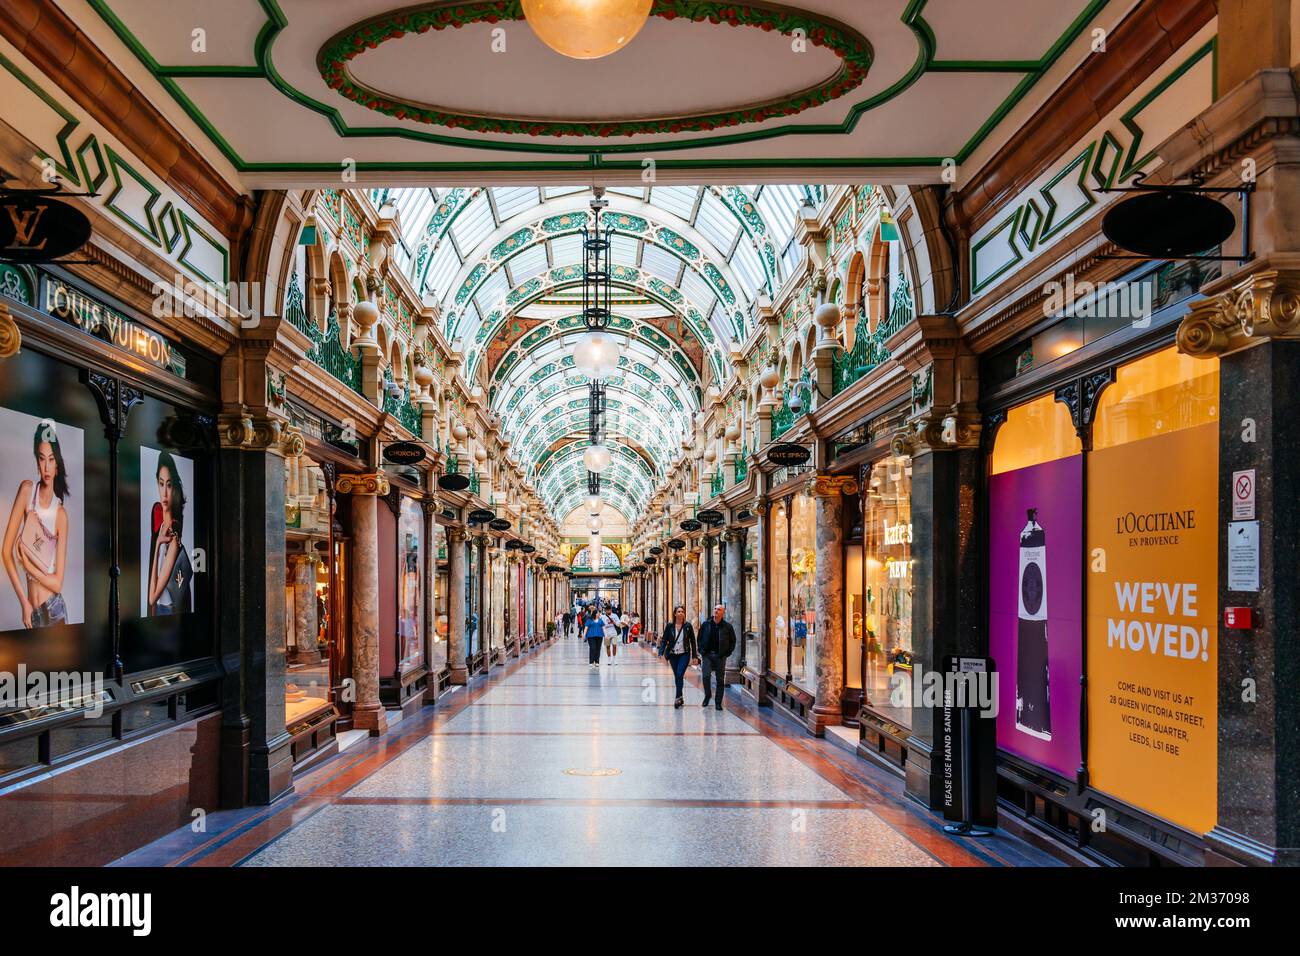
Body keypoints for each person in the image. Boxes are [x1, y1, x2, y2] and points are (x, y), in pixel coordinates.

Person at [3, 420, 71, 629]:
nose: (46, 467)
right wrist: (24, 602)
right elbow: (5, 552)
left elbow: (57, 582)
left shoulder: (61, 515)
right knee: (30, 663)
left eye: (51, 460)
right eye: (42, 459)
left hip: (55, 609)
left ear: (57, 464)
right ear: (37, 462)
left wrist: (29, 564)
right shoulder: (27, 492)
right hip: (32, 610)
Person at [146, 451, 193, 616]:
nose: (164, 492)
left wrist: (159, 544)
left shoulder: (172, 535)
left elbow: (152, 598)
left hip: (169, 610)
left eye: (169, 484)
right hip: (160, 610)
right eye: (161, 483)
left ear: (175, 488)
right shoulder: (159, 521)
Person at [696, 603, 737, 710]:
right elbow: (699, 638)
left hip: (720, 656)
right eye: (715, 609)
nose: (716, 611)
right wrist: (701, 651)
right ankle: (707, 695)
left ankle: (718, 702)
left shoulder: (727, 627)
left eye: (719, 609)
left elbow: (733, 641)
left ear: (723, 613)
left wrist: (727, 653)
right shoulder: (706, 624)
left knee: (720, 680)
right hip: (707, 655)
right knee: (705, 676)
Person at [658, 605, 697, 709]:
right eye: (679, 611)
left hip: (684, 654)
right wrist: (661, 652)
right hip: (672, 655)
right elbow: (664, 640)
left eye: (682, 611)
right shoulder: (670, 626)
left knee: (680, 674)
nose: (681, 613)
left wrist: (694, 656)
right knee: (677, 676)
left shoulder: (688, 626)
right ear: (675, 614)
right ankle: (680, 696)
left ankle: (677, 698)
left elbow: (693, 641)